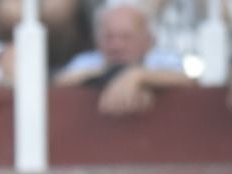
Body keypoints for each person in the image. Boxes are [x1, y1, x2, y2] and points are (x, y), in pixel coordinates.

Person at [53, 1, 190, 115]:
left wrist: (138, 76)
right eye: (109, 37)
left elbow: (188, 81)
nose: (116, 45)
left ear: (148, 41)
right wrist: (111, 75)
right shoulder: (88, 61)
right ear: (98, 40)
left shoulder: (161, 60)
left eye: (126, 37)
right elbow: (59, 83)